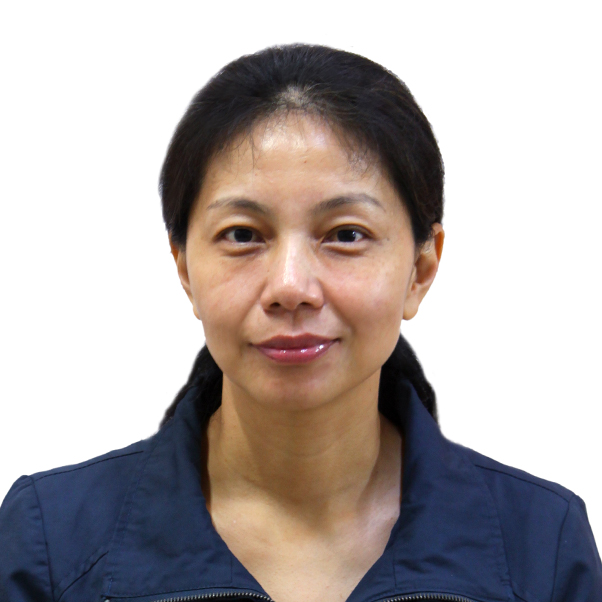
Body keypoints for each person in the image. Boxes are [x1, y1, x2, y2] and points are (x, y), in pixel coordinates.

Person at [1, 43, 600, 602]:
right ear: (184, 268)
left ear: (420, 269)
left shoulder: (543, 548)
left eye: (346, 234)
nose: (290, 287)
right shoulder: (50, 543)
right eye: (243, 235)